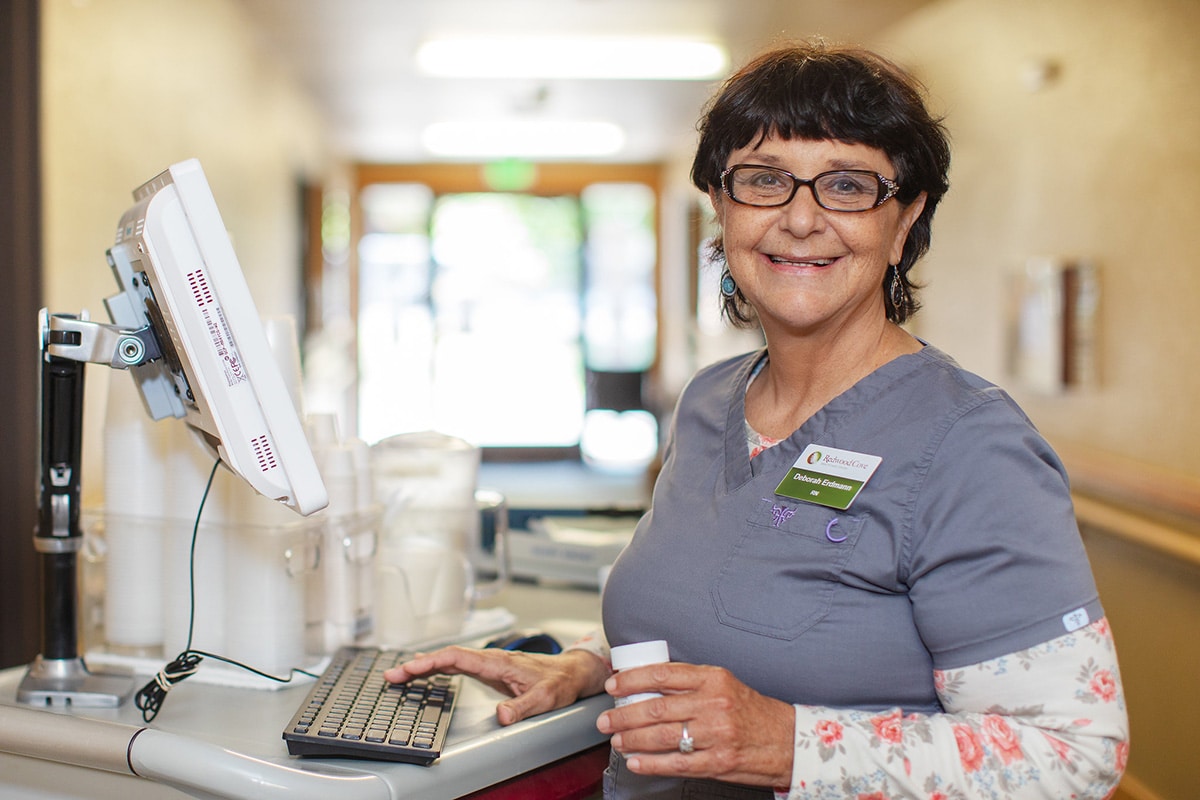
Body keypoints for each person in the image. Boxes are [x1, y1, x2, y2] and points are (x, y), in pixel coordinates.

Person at [385, 41, 1128, 799]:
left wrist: (792, 745)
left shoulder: (971, 446)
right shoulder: (710, 402)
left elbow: (1072, 754)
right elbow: (706, 601)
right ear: (722, 206)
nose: (801, 219)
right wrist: (590, 664)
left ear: (905, 220)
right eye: (764, 180)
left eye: (846, 185)